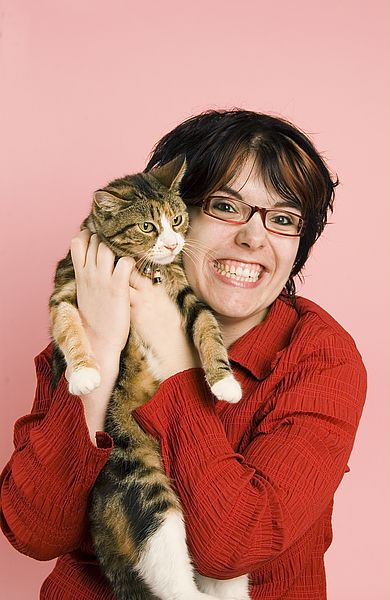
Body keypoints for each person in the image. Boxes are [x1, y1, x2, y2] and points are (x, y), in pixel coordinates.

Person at [0, 109, 367, 599]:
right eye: (225, 206)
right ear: (174, 211)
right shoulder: (91, 321)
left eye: (283, 219)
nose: (253, 237)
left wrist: (176, 363)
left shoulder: (321, 358)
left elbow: (230, 545)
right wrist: (104, 350)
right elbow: (35, 530)